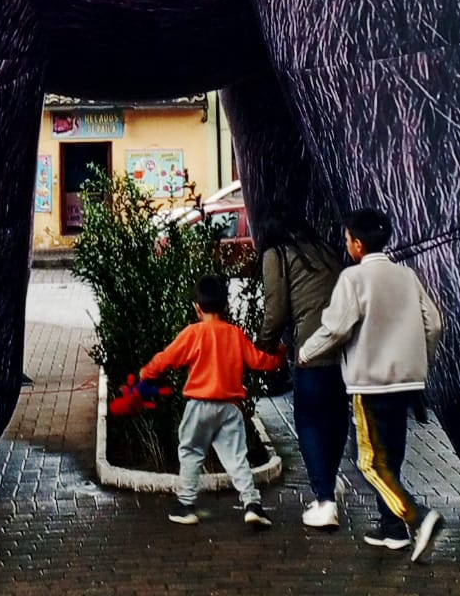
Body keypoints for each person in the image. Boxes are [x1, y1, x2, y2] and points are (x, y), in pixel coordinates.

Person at [297, 205, 444, 563]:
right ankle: (391, 529)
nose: (346, 245)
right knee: (391, 455)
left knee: (366, 461)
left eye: (347, 239)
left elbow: (336, 327)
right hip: (406, 382)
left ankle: (418, 517)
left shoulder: (353, 279)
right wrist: (418, 358)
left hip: (370, 383)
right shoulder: (406, 276)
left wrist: (306, 352)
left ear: (358, 244)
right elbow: (434, 324)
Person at [140, 273, 286, 529]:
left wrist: (147, 373)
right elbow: (258, 361)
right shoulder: (235, 334)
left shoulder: (193, 333)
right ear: (226, 307)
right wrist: (279, 357)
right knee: (237, 458)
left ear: (197, 307)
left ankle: (186, 505)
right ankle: (252, 504)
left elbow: (167, 358)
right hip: (230, 408)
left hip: (200, 404)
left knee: (191, 451)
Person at [255, 201, 348, 530]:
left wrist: (262, 346)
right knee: (337, 418)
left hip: (311, 351)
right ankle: (329, 481)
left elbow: (275, 311)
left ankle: (324, 500)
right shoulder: (325, 250)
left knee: (308, 421)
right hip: (343, 351)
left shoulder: (276, 255)